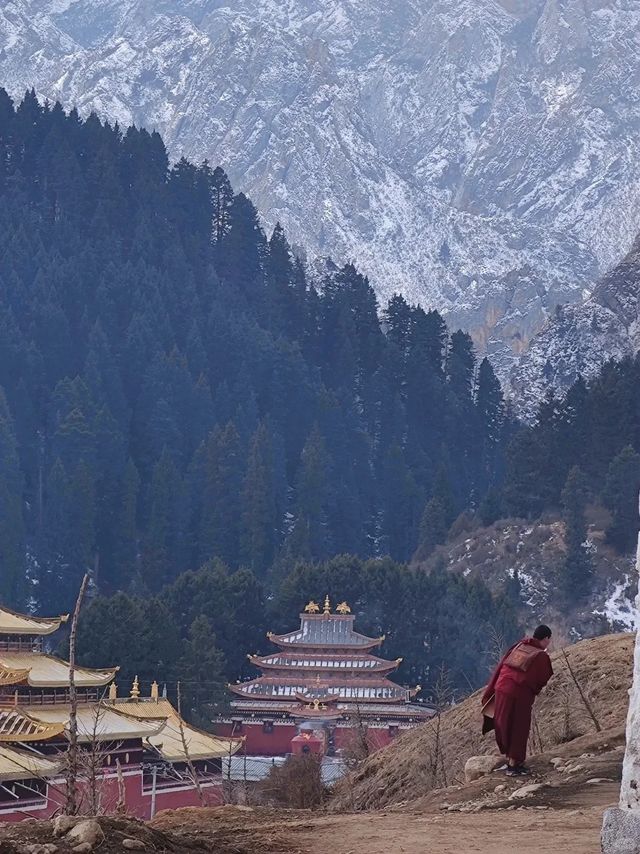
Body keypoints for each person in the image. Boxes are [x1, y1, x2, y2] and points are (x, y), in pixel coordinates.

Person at [481, 625, 553, 777]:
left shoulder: (519, 645)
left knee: (504, 724)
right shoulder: (540, 655)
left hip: (501, 688)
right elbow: (543, 677)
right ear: (546, 638)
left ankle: (510, 759)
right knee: (518, 728)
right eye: (549, 639)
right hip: (518, 694)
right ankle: (514, 765)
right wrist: (534, 690)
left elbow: (502, 665)